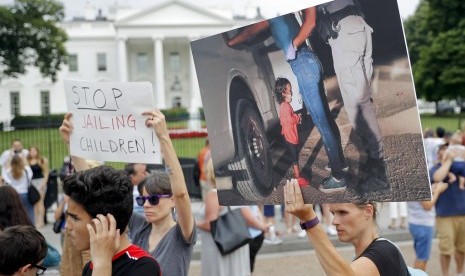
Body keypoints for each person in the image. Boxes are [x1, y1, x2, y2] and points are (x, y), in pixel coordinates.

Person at [227, 7, 348, 193]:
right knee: (325, 118)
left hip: (301, 62)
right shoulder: (284, 16)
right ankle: (339, 163)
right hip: (307, 60)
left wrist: (231, 41)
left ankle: (339, 177)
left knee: (321, 122)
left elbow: (251, 31)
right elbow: (264, 35)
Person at [316, 0, 387, 191]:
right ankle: (375, 164)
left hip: (344, 32)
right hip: (359, 25)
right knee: (363, 101)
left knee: (356, 104)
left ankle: (379, 175)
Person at [284, 179, 411, 275]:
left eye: (343, 212)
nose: (334, 221)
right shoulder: (365, 255)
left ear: (368, 211)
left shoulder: (385, 251)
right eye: (333, 213)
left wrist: (309, 220)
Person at [127, 109, 197, 276]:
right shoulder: (139, 227)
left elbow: (181, 194)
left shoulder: (182, 233)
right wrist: (73, 146)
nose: (146, 205)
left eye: (153, 199)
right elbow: (98, 199)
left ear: (172, 200)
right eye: (142, 199)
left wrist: (164, 137)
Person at [196, 158, 268, 276]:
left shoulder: (214, 194)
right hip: (236, 244)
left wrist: (195, 224)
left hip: (219, 247)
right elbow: (248, 217)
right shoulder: (235, 191)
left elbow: (211, 225)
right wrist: (262, 226)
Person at [430, 144, 465, 276]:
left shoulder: (459, 168)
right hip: (445, 216)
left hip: (463, 214)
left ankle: (460, 272)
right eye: (443, 151)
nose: (446, 153)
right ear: (438, 154)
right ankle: (446, 274)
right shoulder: (436, 168)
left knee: (462, 248)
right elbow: (438, 177)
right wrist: (448, 161)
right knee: (446, 249)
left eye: (448, 151)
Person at [274, 77, 309, 186]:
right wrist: (297, 118)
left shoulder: (284, 105)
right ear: (283, 93)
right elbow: (288, 120)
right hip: (289, 136)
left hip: (288, 135)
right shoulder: (285, 106)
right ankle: (297, 178)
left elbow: (284, 120)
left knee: (294, 157)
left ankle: (297, 175)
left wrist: (295, 117)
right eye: (289, 91)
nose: (291, 94)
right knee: (294, 158)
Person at [407, 181, 449, 271]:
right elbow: (428, 206)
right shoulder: (419, 183)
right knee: (422, 258)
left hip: (415, 222)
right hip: (423, 224)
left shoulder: (409, 181)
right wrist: (437, 190)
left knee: (419, 255)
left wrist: (432, 189)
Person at [1, 154, 34, 223]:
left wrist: (10, 156)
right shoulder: (26, 170)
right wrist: (23, 156)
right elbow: (30, 174)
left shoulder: (9, 172)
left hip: (14, 195)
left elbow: (4, 174)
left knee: (15, 213)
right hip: (25, 194)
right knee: (29, 213)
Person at [27, 146, 49, 228]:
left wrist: (44, 183)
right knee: (34, 203)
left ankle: (41, 221)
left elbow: (46, 172)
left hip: (40, 182)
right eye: (31, 151)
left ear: (37, 151)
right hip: (32, 183)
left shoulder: (42, 160)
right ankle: (35, 221)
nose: (32, 152)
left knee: (40, 202)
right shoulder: (27, 161)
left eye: (34, 151)